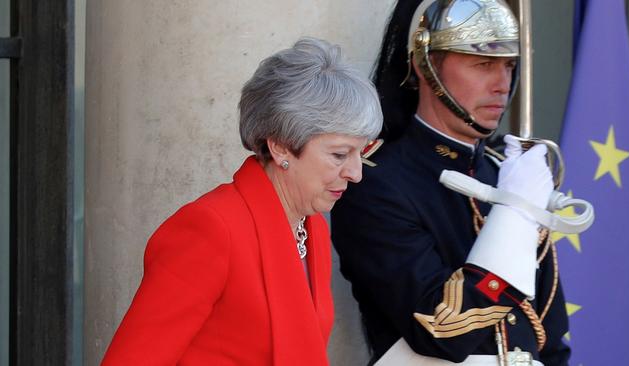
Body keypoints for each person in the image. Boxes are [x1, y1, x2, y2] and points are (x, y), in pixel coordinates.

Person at [101, 37, 382, 365]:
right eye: (339, 154)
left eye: (361, 153)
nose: (355, 173)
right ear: (279, 146)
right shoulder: (211, 228)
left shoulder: (312, 226)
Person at [331, 1, 570, 365]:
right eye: (483, 64)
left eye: (508, 65)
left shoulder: (505, 173)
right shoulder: (376, 183)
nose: (502, 84)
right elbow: (444, 331)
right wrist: (516, 215)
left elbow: (549, 340)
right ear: (424, 65)